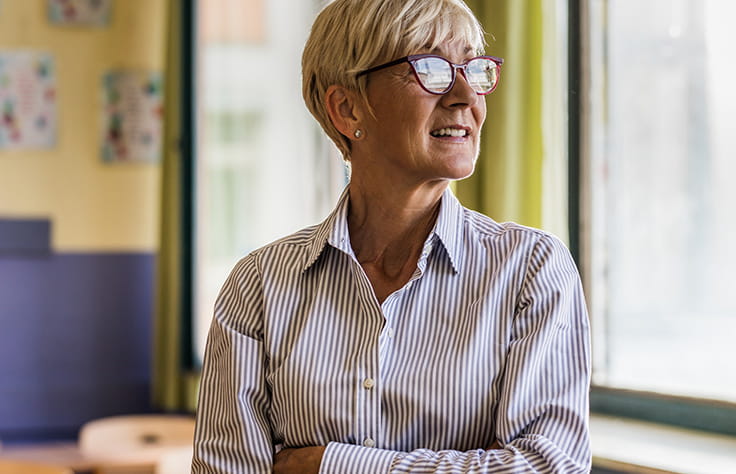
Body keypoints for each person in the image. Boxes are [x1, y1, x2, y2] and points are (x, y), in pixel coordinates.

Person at [191, 0, 591, 472]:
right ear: (346, 108)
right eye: (430, 68)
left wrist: (331, 465)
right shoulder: (258, 285)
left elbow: (551, 466)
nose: (466, 96)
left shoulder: (531, 269)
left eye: (474, 68)